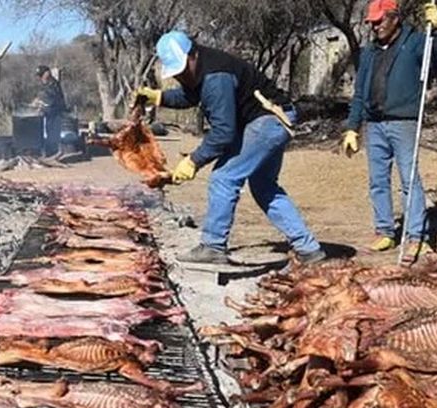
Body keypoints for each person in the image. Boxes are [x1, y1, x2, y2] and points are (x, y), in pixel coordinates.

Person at [132, 31, 325, 267]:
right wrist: (157, 97)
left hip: (267, 120)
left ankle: (213, 246)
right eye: (176, 73)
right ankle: (309, 250)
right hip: (274, 119)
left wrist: (194, 160)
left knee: (224, 178)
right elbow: (191, 95)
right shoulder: (202, 69)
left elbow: (224, 132)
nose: (181, 76)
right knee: (264, 187)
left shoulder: (216, 76)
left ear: (192, 54)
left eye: (182, 70)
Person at [341, 0, 437, 264]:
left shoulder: (416, 42)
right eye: (372, 22)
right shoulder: (369, 52)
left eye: (379, 21)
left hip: (404, 121)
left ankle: (415, 236)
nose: (375, 26)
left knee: (409, 179)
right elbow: (360, 92)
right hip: (374, 123)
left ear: (395, 18)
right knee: (378, 181)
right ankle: (384, 231)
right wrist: (352, 127)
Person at [32, 65, 68, 157]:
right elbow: (42, 94)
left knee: (53, 133)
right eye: (39, 76)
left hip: (55, 112)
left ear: (47, 73)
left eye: (42, 75)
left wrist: (40, 102)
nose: (40, 78)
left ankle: (53, 153)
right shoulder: (45, 83)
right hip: (48, 113)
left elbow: (51, 98)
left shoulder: (53, 84)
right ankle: (49, 152)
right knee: (48, 132)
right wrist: (37, 101)